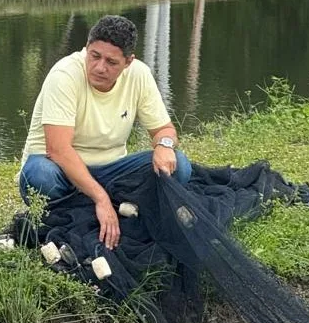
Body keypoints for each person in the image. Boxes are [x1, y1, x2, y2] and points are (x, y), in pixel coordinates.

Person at [18, 15, 192, 250]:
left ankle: (96, 208)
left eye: (111, 62)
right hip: (61, 171)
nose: (100, 67)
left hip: (112, 172)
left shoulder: (139, 74)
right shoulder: (64, 75)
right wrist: (100, 199)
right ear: (86, 48)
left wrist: (164, 145)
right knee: (38, 174)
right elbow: (57, 150)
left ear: (128, 62)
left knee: (179, 165)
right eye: (95, 56)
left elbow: (163, 129)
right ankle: (107, 207)